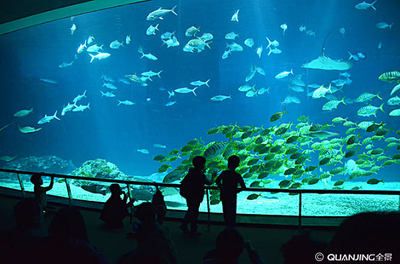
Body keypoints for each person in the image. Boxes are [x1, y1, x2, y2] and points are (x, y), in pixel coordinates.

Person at [180, 156, 212, 235]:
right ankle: (192, 230)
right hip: (196, 196)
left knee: (190, 210)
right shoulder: (200, 175)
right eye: (203, 164)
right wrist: (213, 176)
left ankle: (185, 225)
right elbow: (209, 182)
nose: (204, 165)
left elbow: (183, 182)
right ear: (201, 165)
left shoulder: (190, 173)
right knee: (194, 212)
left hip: (189, 195)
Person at [216, 155, 246, 228]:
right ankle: (231, 227)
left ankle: (226, 226)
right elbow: (243, 187)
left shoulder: (224, 173)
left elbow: (217, 181)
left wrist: (222, 188)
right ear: (237, 165)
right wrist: (236, 191)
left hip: (224, 195)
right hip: (232, 196)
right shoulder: (237, 175)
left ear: (228, 163)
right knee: (232, 212)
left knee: (225, 211)